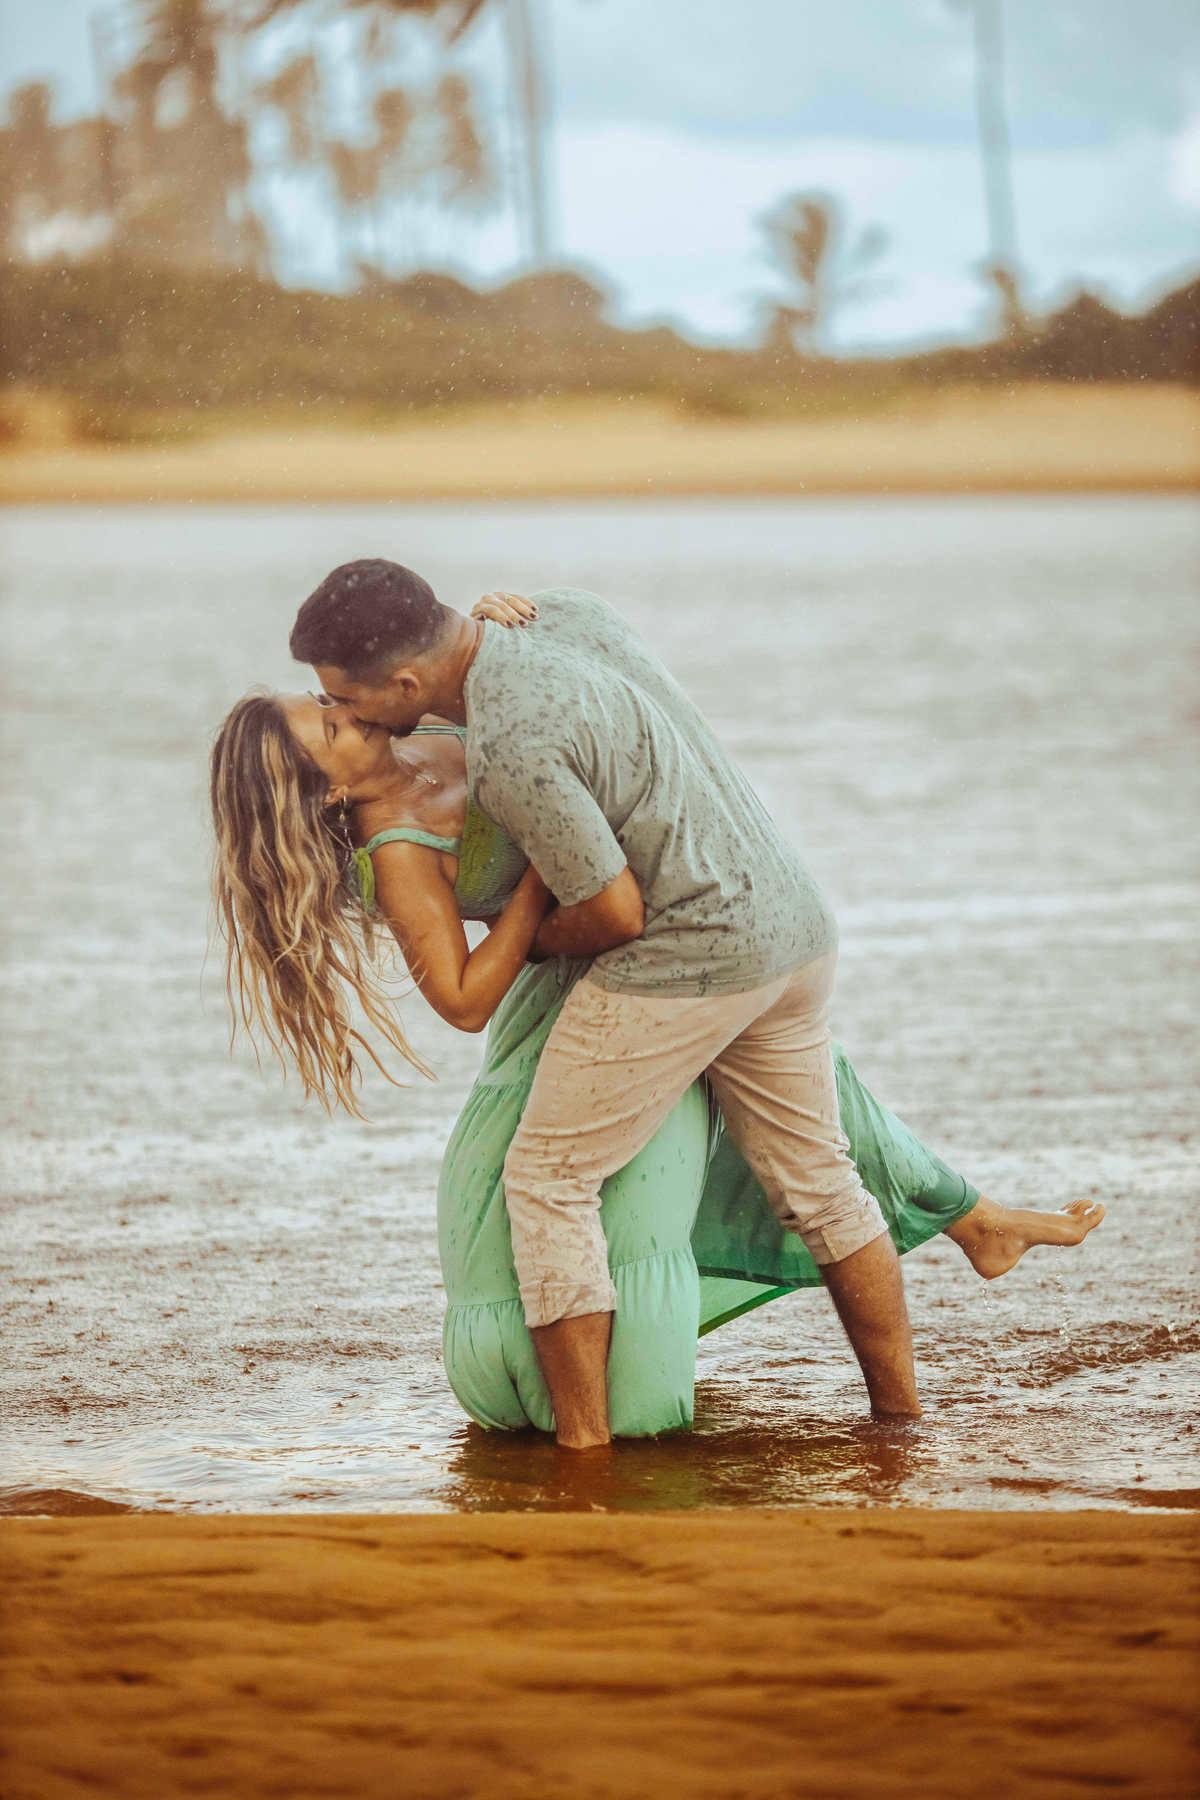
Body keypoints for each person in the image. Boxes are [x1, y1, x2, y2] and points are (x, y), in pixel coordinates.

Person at [210, 591, 1104, 1440]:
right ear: (324, 792)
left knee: (811, 1140)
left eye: (338, 698)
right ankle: (600, 1435)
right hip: (590, 953)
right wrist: (533, 893)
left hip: (657, 939)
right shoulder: (398, 850)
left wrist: (492, 624)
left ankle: (908, 1404)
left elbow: (483, 678)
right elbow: (462, 1000)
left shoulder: (428, 721)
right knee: (616, 1170)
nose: (347, 709)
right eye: (329, 722)